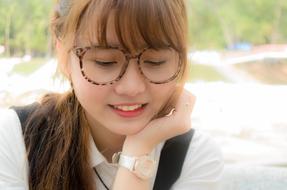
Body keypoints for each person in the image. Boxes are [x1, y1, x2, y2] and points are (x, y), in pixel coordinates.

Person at [0, 0, 224, 189]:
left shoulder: (195, 158)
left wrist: (139, 150)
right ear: (63, 53)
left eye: (155, 61)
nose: (132, 87)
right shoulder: (16, 140)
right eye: (105, 62)